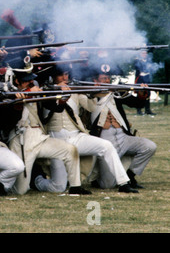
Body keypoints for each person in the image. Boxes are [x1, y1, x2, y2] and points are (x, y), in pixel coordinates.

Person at [0, 60, 91, 195]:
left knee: (70, 150)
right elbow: (6, 124)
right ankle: (0, 185)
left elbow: (54, 107)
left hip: (39, 136)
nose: (30, 83)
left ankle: (75, 187)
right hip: (21, 140)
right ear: (16, 81)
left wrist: (62, 98)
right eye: (25, 81)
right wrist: (18, 103)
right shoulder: (7, 94)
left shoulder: (36, 90)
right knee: (20, 190)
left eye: (31, 80)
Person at [44, 64, 139, 193]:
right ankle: (37, 180)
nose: (64, 77)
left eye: (66, 74)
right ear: (53, 77)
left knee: (106, 146)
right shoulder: (44, 91)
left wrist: (92, 94)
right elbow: (49, 108)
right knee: (58, 187)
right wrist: (58, 91)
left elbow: (91, 107)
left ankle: (123, 183)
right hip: (55, 140)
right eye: (61, 75)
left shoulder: (74, 90)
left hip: (75, 135)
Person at [89, 63, 156, 189]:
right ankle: (98, 179)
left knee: (149, 146)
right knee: (107, 185)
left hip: (123, 136)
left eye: (108, 78)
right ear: (95, 80)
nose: (106, 81)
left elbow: (137, 103)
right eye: (103, 79)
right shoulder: (88, 95)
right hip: (104, 139)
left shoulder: (117, 92)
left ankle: (130, 176)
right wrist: (94, 92)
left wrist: (142, 93)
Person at [134, 49, 156, 115]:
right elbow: (137, 68)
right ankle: (139, 110)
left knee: (148, 94)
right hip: (140, 78)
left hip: (147, 78)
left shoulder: (148, 61)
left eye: (145, 53)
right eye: (143, 53)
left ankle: (147, 110)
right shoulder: (137, 61)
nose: (144, 54)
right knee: (139, 95)